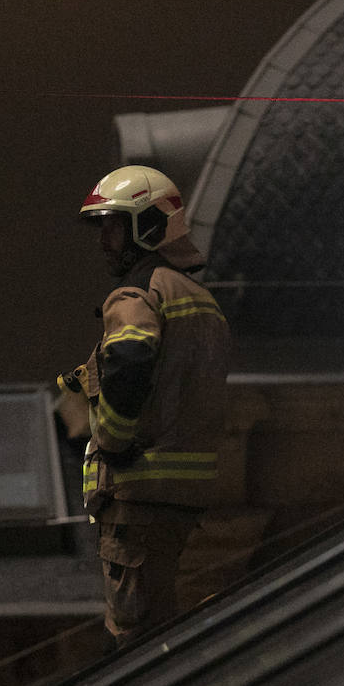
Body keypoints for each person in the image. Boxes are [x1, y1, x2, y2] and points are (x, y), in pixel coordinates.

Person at [58, 165, 231, 648]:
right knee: (180, 630)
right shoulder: (201, 301)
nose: (103, 241)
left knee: (137, 640)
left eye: (113, 227)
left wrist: (112, 439)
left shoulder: (135, 293)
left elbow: (131, 358)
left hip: (138, 497)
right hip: (186, 498)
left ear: (148, 227)